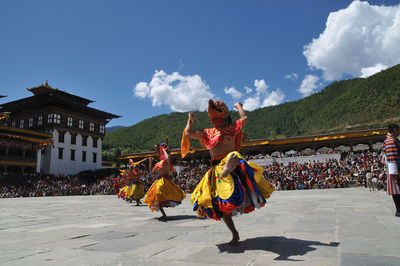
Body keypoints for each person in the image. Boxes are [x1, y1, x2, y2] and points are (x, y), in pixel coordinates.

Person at [182, 99, 275, 245]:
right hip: (216, 169)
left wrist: (238, 106)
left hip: (231, 163)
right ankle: (234, 233)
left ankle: (227, 169)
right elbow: (188, 133)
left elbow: (244, 118)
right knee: (221, 206)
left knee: (234, 155)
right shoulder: (207, 132)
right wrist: (190, 119)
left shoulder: (232, 127)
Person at [143, 142, 186, 221]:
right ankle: (163, 214)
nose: (159, 154)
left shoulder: (167, 161)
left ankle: (164, 214)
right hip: (159, 181)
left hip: (165, 181)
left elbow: (167, 157)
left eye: (160, 152)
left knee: (159, 196)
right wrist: (150, 162)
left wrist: (163, 150)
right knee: (157, 197)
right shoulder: (159, 163)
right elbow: (151, 171)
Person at [382, 123, 400, 217]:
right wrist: (394, 172)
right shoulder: (390, 141)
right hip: (395, 169)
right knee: (397, 190)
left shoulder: (392, 140)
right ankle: (398, 210)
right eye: (398, 130)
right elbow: (391, 157)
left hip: (396, 168)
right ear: (394, 130)